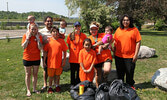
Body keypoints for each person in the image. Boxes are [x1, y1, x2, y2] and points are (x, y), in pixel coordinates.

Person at [113, 14, 141, 89]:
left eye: (127, 20)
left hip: (130, 56)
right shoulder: (118, 29)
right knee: (120, 73)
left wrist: (136, 54)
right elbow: (115, 41)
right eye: (124, 20)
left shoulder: (134, 30)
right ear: (122, 21)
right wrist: (114, 52)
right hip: (119, 55)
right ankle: (120, 86)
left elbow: (138, 42)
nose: (125, 22)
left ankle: (130, 86)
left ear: (130, 21)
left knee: (130, 72)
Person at [43, 26, 68, 93]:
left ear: (58, 33)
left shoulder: (61, 41)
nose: (55, 33)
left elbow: (65, 51)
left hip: (59, 62)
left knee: (57, 76)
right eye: (53, 31)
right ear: (51, 33)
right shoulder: (48, 41)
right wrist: (44, 61)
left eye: (56, 31)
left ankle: (57, 85)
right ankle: (50, 87)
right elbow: (45, 52)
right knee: (50, 76)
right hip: (50, 63)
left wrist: (64, 60)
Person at [88, 21, 112, 88]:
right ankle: (98, 88)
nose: (93, 30)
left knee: (107, 70)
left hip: (106, 56)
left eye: (95, 29)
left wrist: (108, 44)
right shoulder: (89, 38)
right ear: (90, 30)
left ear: (97, 29)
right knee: (98, 74)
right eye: (92, 29)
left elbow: (110, 39)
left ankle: (105, 79)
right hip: (96, 58)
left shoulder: (103, 35)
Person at [21, 23, 42, 96]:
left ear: (37, 30)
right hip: (27, 58)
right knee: (28, 74)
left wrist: (38, 39)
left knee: (35, 74)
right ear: (29, 29)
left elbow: (40, 48)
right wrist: (27, 38)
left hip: (36, 58)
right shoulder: (25, 36)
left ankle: (34, 88)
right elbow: (24, 47)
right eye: (32, 29)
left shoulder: (39, 36)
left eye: (35, 29)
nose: (33, 31)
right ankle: (28, 90)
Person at [66, 21, 87, 88]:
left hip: (80, 57)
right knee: (72, 71)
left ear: (80, 27)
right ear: (74, 27)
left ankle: (77, 83)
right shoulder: (70, 35)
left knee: (79, 71)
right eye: (76, 26)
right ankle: (72, 83)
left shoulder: (83, 35)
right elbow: (69, 45)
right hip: (73, 57)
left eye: (78, 26)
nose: (77, 27)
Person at [39, 16, 53, 92]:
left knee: (53, 68)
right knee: (45, 69)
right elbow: (39, 43)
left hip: (53, 54)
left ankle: (53, 83)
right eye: (47, 21)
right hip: (45, 54)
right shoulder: (41, 32)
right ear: (45, 22)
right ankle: (45, 84)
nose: (49, 22)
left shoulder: (54, 30)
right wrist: (44, 42)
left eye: (50, 21)